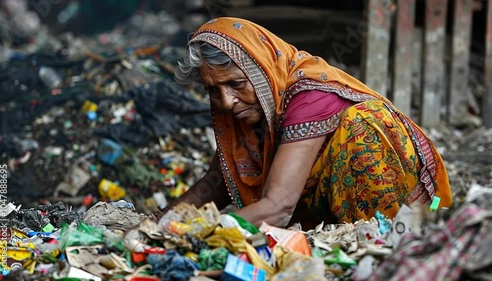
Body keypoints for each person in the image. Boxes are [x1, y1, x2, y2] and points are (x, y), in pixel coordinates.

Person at [157, 17, 452, 229]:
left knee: (361, 124)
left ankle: (389, 231)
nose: (226, 101)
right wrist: (161, 221)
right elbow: (217, 181)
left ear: (262, 74)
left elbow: (279, 206)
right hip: (330, 206)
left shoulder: (309, 96)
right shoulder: (255, 104)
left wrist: (201, 231)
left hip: (408, 212)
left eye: (236, 84)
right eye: (213, 90)